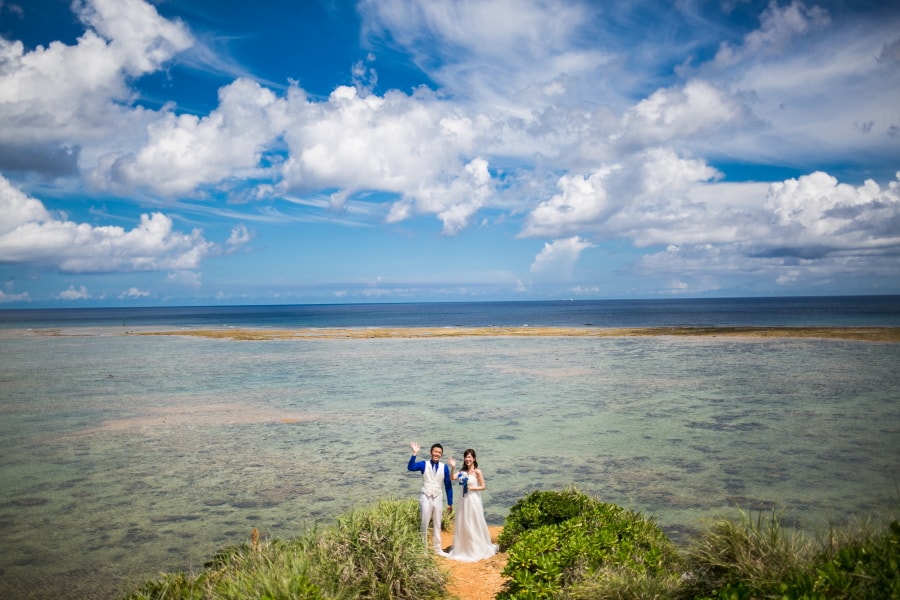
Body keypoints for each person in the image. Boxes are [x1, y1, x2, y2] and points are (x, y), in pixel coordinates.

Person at [447, 448, 498, 562]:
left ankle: (477, 547)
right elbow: (452, 478)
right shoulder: (462, 471)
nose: (468, 459)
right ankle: (465, 547)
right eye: (466, 457)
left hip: (473, 499)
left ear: (474, 458)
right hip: (463, 499)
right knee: (463, 521)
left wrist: (472, 488)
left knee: (474, 520)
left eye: (470, 457)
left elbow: (483, 486)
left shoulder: (477, 472)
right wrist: (453, 467)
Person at [407, 441, 453, 555]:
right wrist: (414, 453)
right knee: (424, 522)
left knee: (437, 522)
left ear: (441, 454)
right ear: (431, 452)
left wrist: (450, 503)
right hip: (426, 496)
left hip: (438, 496)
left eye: (439, 452)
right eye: (435, 452)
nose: (437, 454)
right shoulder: (424, 464)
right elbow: (411, 467)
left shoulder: (444, 467)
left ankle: (437, 549)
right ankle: (423, 550)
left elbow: (448, 485)